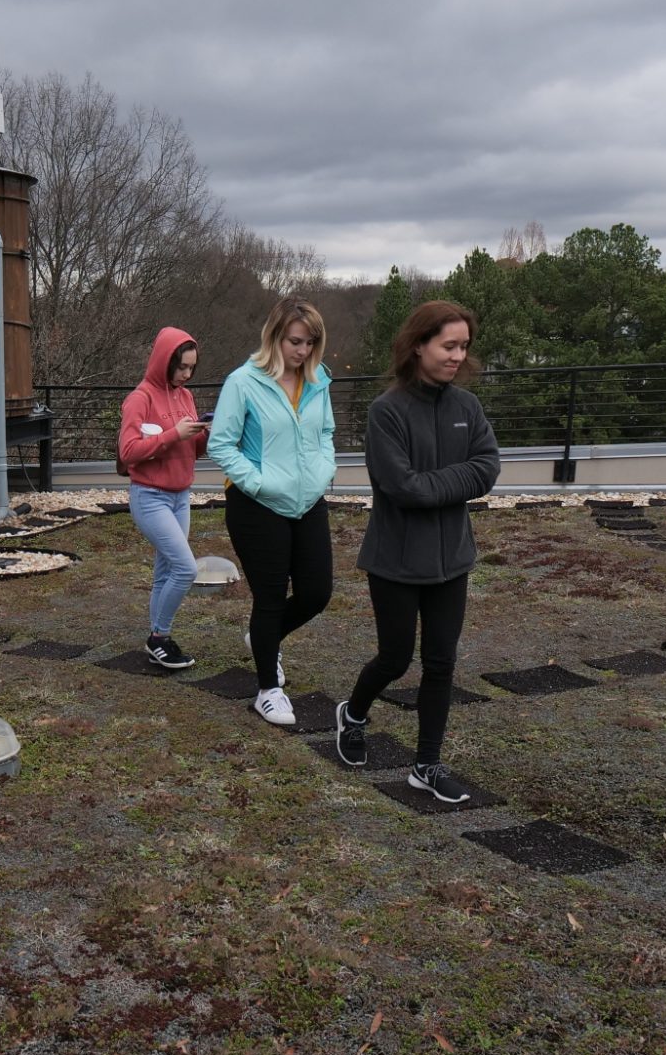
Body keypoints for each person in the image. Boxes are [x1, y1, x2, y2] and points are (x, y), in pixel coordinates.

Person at [333, 300, 501, 802]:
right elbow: (402, 488)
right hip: (396, 560)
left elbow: (487, 467)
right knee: (395, 656)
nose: (457, 355)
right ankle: (353, 713)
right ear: (419, 345)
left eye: (463, 346)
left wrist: (436, 484)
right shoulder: (386, 412)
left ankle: (426, 765)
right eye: (448, 345)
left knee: (441, 663)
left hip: (453, 560)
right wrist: (454, 482)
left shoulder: (466, 408)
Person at [207, 296, 338, 726]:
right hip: (257, 506)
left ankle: (265, 637)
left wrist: (325, 469)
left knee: (317, 592)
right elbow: (221, 445)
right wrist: (260, 483)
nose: (301, 351)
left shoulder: (319, 381)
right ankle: (268, 690)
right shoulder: (243, 383)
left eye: (309, 343)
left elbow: (326, 433)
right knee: (269, 598)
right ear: (275, 337)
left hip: (308, 502)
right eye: (295, 341)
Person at [118, 326, 209, 670]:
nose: (186, 375)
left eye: (191, 368)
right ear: (163, 361)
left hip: (180, 495)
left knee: (166, 571)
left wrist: (204, 434)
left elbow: (193, 449)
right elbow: (128, 452)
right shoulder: (140, 398)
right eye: (181, 367)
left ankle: (156, 637)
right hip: (150, 497)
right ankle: (160, 638)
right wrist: (174, 434)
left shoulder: (184, 396)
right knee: (185, 569)